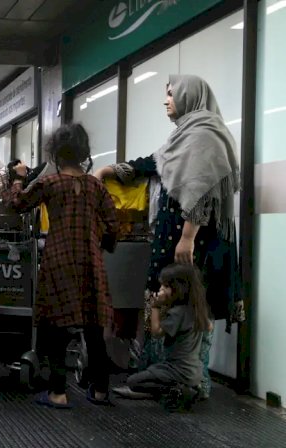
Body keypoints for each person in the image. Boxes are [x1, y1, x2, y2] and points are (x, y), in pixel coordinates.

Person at [94, 74, 242, 399]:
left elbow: (203, 190)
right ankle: (159, 375)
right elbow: (155, 164)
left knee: (189, 307)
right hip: (173, 241)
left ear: (190, 96)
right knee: (159, 300)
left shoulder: (206, 136)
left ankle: (188, 381)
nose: (166, 101)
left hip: (193, 245)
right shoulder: (183, 137)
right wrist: (112, 171)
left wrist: (188, 236)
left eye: (172, 94)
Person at [3, 123, 119, 408]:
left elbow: (15, 205)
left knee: (55, 328)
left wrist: (17, 178)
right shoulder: (95, 186)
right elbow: (114, 226)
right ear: (83, 152)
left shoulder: (50, 184)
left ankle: (58, 392)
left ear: (56, 153)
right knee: (94, 328)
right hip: (91, 262)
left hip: (58, 261)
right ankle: (101, 390)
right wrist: (100, 244)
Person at [113, 264, 211, 411]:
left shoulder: (178, 313)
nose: (160, 290)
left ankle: (174, 390)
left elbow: (156, 332)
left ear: (179, 288)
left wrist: (154, 306)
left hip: (177, 370)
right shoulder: (195, 310)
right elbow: (209, 326)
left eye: (165, 286)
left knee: (133, 381)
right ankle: (178, 389)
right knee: (152, 372)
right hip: (194, 370)